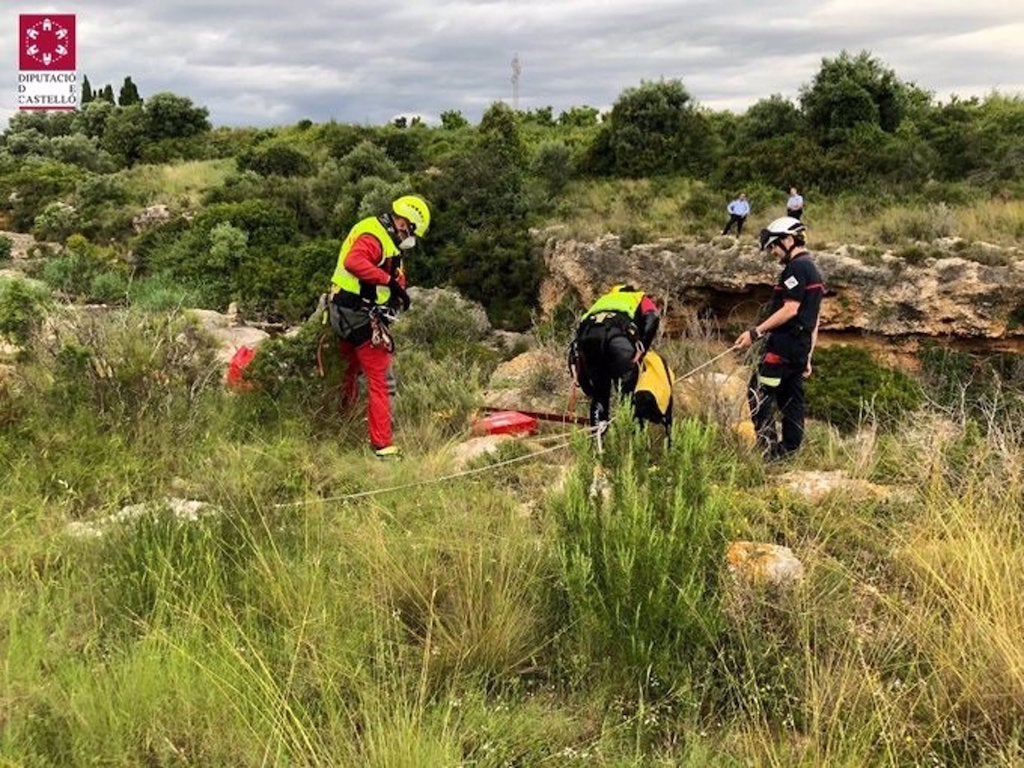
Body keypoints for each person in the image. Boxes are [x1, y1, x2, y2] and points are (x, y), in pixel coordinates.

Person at [327, 195, 430, 459]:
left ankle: (340, 423)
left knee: (347, 372)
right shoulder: (375, 237)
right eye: (411, 231)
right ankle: (382, 446)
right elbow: (354, 262)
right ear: (404, 223)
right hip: (358, 315)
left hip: (344, 310)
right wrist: (389, 282)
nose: (410, 237)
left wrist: (397, 289)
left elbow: (388, 270)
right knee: (382, 380)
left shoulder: (381, 234)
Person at [733, 216, 824, 461]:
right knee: (790, 399)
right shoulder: (813, 269)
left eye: (774, 245)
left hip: (781, 349)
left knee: (758, 393)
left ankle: (768, 452)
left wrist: (755, 332)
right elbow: (814, 319)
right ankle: (789, 452)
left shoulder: (796, 268)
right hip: (799, 348)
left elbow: (790, 308)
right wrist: (808, 357)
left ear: (788, 239)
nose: (773, 251)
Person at [568, 285, 660, 432]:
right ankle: (633, 441)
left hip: (588, 336)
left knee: (599, 394)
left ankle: (598, 442)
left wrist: (589, 389)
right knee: (628, 394)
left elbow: (577, 351)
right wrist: (642, 348)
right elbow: (653, 317)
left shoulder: (603, 300)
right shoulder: (638, 297)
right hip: (618, 336)